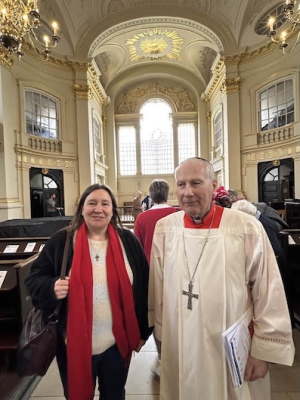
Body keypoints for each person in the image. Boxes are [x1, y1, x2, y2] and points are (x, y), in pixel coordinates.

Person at [148, 157, 295, 400]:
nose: (188, 192)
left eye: (196, 183)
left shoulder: (245, 227)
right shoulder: (165, 229)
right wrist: (162, 336)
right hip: (181, 343)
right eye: (181, 184)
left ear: (213, 185)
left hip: (233, 345)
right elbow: (158, 287)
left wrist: (263, 351)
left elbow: (268, 289)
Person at [26, 184, 151, 400]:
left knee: (114, 395)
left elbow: (144, 288)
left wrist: (143, 332)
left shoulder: (128, 242)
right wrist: (51, 287)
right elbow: (33, 280)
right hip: (71, 343)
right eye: (91, 203)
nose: (98, 209)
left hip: (117, 343)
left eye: (105, 203)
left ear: (112, 210)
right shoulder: (62, 241)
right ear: (82, 208)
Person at [134, 179, 176, 378]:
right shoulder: (177, 214)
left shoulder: (142, 218)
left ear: (150, 195)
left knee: (157, 315)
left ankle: (161, 358)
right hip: (177, 272)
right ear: (168, 194)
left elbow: (138, 248)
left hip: (151, 273)